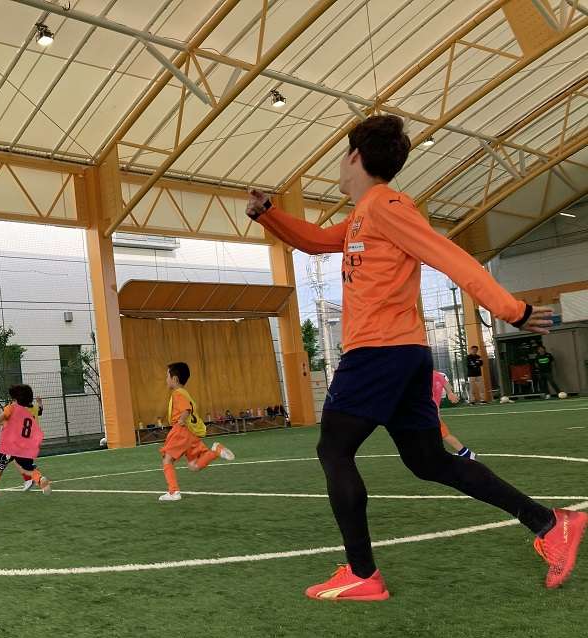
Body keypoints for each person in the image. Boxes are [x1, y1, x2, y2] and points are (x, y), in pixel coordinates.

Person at [245, 114, 585, 600]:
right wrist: (268, 214)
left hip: (379, 352)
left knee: (334, 449)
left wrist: (513, 309)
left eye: (342, 155)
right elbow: (316, 241)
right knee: (427, 461)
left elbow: (449, 256)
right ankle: (550, 524)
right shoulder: (363, 214)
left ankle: (362, 574)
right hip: (400, 355)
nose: (338, 164)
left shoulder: (387, 206)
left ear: (355, 156)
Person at [159, 362, 234, 502]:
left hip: (181, 430)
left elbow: (186, 409)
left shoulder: (177, 394)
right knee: (193, 465)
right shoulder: (185, 393)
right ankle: (215, 451)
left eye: (167, 376)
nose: (166, 379)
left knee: (167, 459)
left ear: (174, 379)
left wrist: (181, 420)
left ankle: (173, 492)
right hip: (190, 433)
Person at [0, 384, 51, 503]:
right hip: (26, 445)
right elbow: (39, 411)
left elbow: (5, 415)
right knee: (26, 468)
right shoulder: (32, 409)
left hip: (10, 446)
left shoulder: (12, 407)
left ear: (16, 399)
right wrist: (40, 403)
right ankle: (39, 479)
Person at [432, 371, 475, 460]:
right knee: (440, 435)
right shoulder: (437, 375)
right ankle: (465, 453)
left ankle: (466, 453)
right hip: (431, 412)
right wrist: (450, 393)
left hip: (431, 412)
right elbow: (446, 384)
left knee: (444, 434)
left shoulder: (424, 376)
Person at [22, 396, 45, 491]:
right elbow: (40, 411)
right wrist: (40, 402)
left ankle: (33, 479)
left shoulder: (23, 410)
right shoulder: (34, 408)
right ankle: (33, 476)